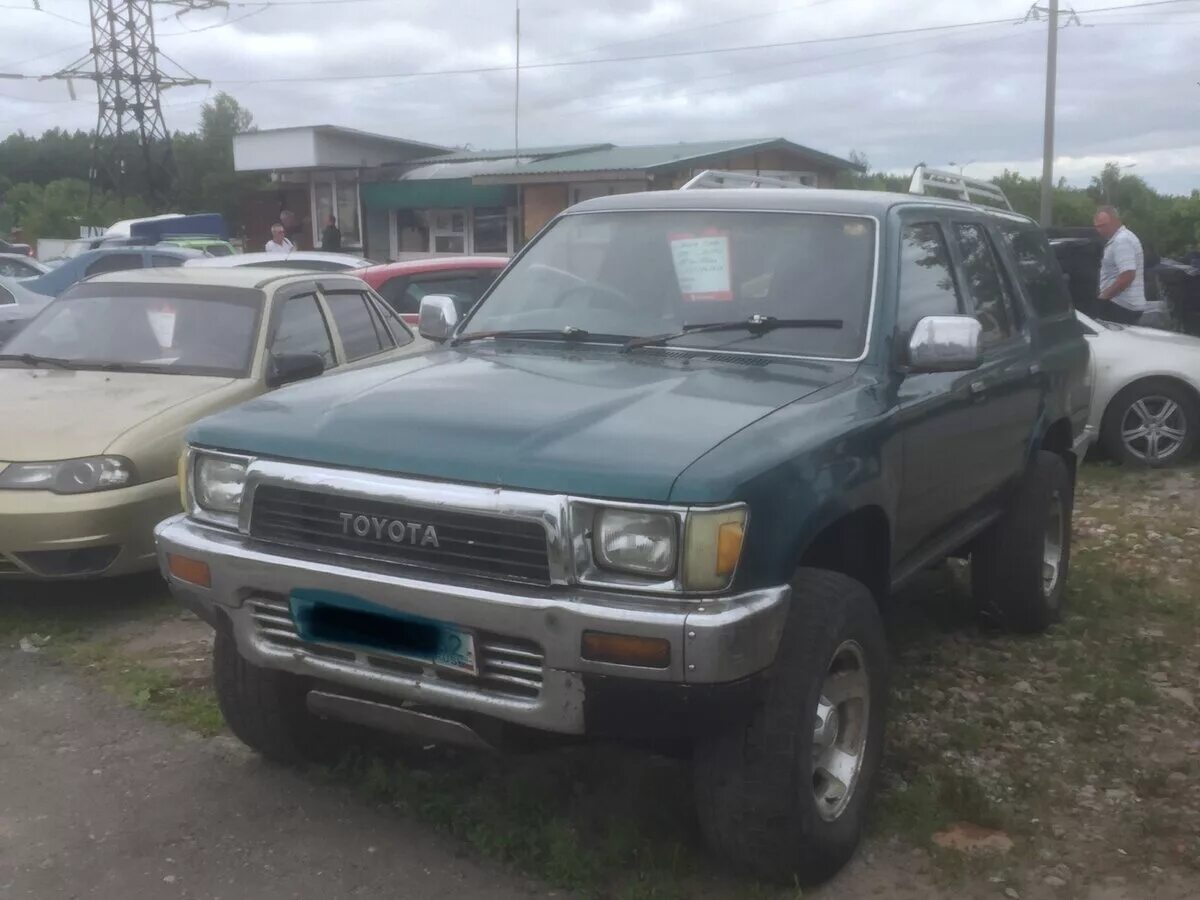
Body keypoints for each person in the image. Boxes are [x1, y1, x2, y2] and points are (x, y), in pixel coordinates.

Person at [1093, 206, 1145, 325]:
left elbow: (1127, 275)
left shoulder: (1121, 241)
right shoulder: (1122, 238)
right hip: (1126, 304)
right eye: (1097, 227)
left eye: (1103, 225)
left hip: (1120, 304)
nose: (1100, 230)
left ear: (1116, 221)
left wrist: (1104, 297)